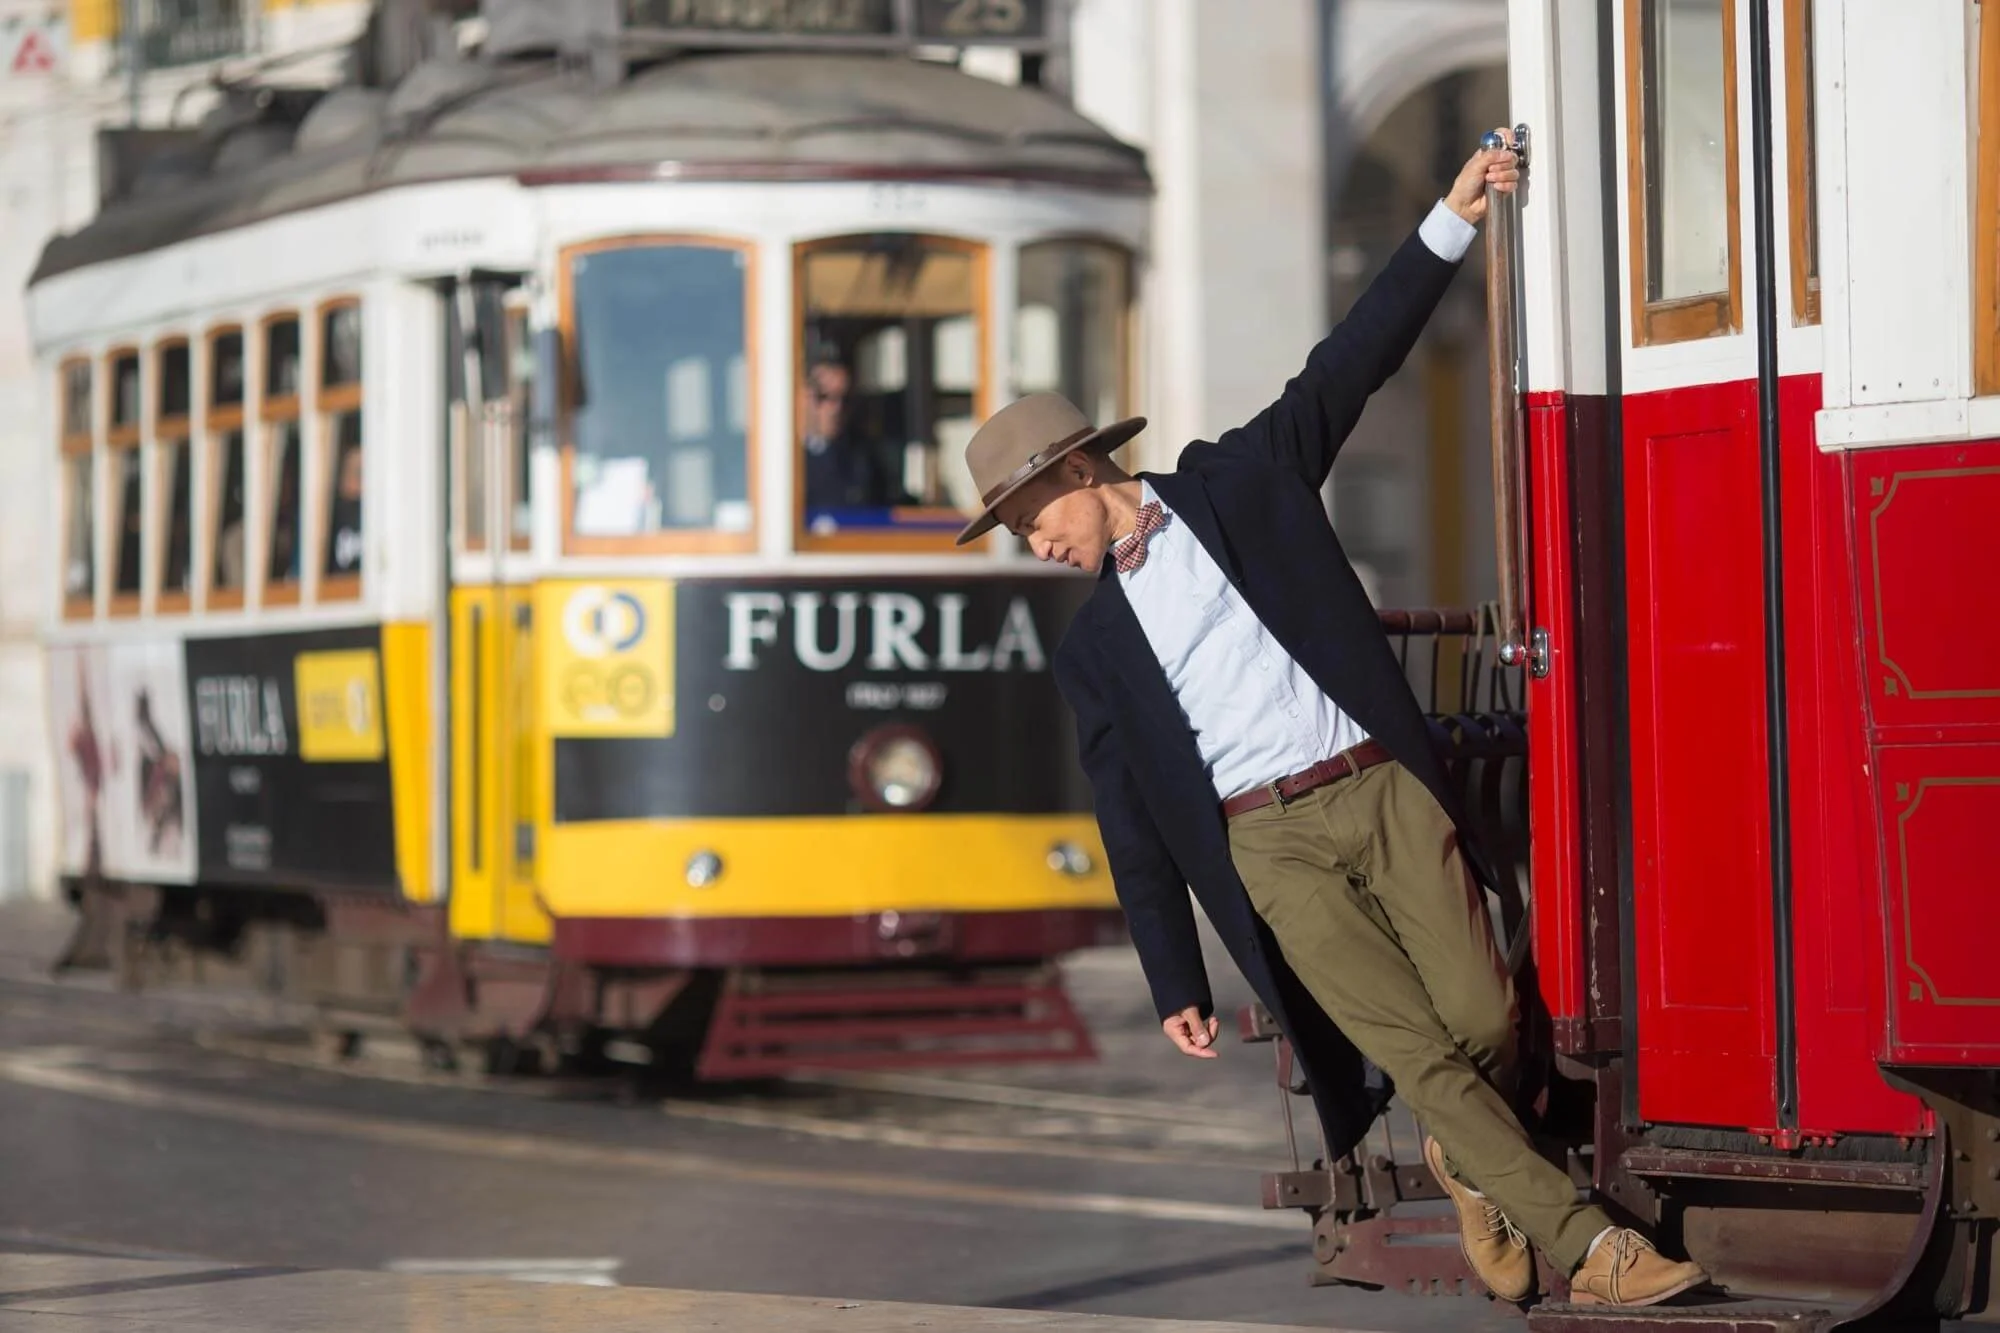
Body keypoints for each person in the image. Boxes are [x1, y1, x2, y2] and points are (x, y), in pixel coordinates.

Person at [952, 133, 1707, 1309]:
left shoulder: (1241, 482)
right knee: (1416, 1054)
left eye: (1024, 518)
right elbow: (1129, 820)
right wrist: (1171, 979)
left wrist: (1446, 220)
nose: (1030, 544)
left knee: (1479, 1018)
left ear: (1074, 470)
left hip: (1376, 788)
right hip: (1271, 847)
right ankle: (1592, 1247)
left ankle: (1469, 1162)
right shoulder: (1091, 650)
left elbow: (1346, 367)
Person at [800, 357, 912, 513]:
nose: (836, 408)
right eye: (825, 397)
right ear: (803, 397)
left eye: (844, 399)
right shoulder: (779, 459)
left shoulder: (864, 459)